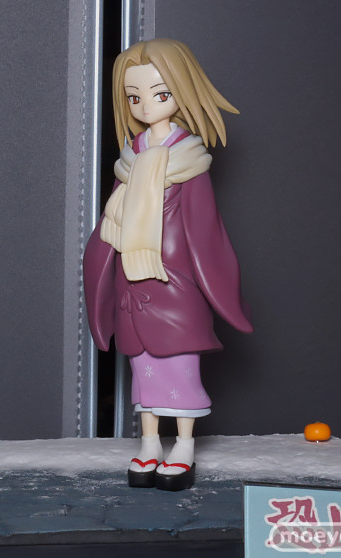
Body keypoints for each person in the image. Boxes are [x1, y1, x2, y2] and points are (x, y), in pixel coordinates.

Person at [83, 38, 253, 491]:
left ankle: (184, 446)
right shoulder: (130, 160)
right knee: (142, 367)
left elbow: (207, 230)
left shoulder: (189, 161)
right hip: (133, 283)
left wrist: (221, 290)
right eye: (133, 97)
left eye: (160, 93)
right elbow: (110, 225)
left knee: (179, 365)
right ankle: (149, 443)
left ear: (182, 90)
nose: (145, 105)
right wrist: (100, 265)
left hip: (174, 280)